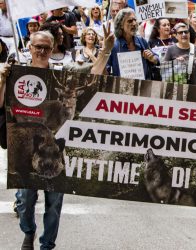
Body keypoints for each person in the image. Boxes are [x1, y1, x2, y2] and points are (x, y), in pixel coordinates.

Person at [0, 23, 114, 249]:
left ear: (52, 49)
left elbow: (93, 73)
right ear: (29, 48)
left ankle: (47, 245)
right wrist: (2, 79)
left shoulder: (63, 74)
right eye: (37, 47)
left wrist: (106, 50)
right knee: (24, 201)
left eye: (46, 47)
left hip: (56, 149)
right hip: (24, 149)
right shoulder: (15, 74)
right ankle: (28, 231)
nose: (41, 51)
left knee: (54, 202)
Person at [107, 8, 158, 79]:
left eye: (135, 20)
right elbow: (106, 71)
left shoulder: (141, 41)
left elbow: (157, 59)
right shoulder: (114, 46)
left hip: (144, 87)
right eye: (130, 21)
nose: (134, 23)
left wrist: (152, 58)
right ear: (121, 25)